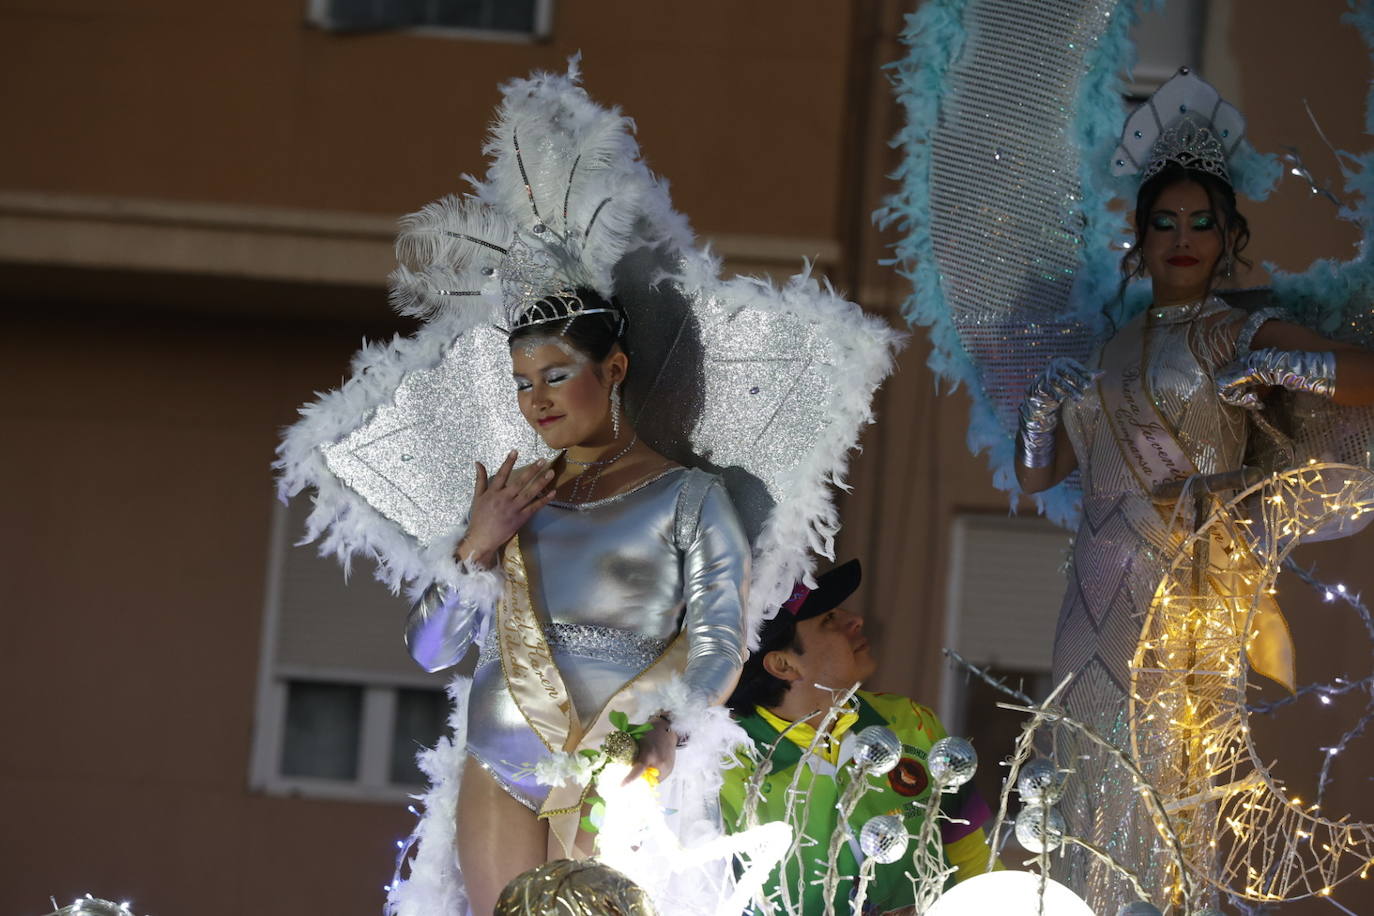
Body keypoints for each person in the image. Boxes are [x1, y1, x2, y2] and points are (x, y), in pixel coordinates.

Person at [1014, 70, 1374, 911]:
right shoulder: (1107, 347)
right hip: (1094, 590)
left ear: (1228, 236)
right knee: (1082, 764)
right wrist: (1040, 409)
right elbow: (1041, 478)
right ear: (1137, 239)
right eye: (1165, 222)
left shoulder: (1235, 330)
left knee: (1176, 776)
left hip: (1193, 578)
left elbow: (1365, 377)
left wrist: (1288, 364)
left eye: (1202, 222)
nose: (1183, 238)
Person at [405, 287, 750, 914]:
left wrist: (671, 729)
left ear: (613, 369)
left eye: (556, 376)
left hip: (618, 763)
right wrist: (477, 544)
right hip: (497, 767)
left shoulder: (689, 496)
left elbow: (720, 640)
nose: (537, 400)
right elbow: (430, 652)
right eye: (521, 383)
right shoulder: (506, 502)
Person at [718, 560, 997, 916]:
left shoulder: (910, 722)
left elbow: (972, 859)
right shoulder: (724, 768)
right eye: (828, 620)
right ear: (784, 665)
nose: (855, 620)